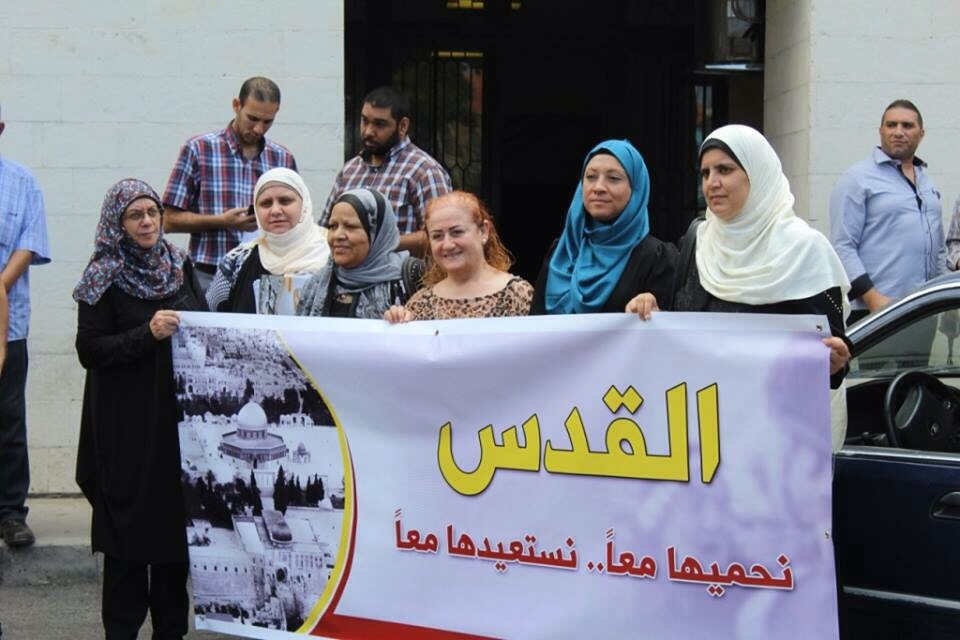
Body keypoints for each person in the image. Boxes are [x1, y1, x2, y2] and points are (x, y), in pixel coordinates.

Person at [73, 179, 206, 639]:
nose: (147, 222)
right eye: (135, 215)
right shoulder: (102, 275)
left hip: (175, 430)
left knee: (172, 545)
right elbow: (90, 349)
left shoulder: (178, 264)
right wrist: (146, 334)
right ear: (117, 223)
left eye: (152, 212)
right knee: (127, 546)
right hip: (124, 431)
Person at [627, 124, 850, 395]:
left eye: (724, 170)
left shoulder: (805, 249)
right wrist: (651, 310)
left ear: (757, 173)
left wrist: (833, 361)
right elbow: (680, 332)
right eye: (705, 173)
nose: (712, 183)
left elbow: (833, 354)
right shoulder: (697, 242)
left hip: (775, 411)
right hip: (707, 410)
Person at [162, 76, 297, 291]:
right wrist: (222, 221)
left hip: (266, 274)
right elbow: (168, 220)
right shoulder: (198, 149)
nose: (259, 129)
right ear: (236, 105)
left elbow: (298, 222)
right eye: (252, 118)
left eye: (267, 121)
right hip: (209, 271)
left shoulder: (282, 158)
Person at [830, 99, 945, 323]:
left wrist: (943, 299)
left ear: (921, 133)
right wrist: (873, 298)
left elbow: (938, 250)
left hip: (924, 309)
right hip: (876, 310)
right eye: (891, 125)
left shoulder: (927, 182)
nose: (898, 132)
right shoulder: (856, 179)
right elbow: (842, 246)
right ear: (880, 131)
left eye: (907, 126)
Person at [531, 139, 677, 315]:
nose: (598, 187)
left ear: (636, 188)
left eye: (613, 178)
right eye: (591, 177)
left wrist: (650, 309)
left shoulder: (655, 257)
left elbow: (668, 327)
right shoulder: (563, 251)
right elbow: (536, 324)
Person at [0, 104, 51, 549]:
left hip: (7, 322)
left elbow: (30, 242)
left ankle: (11, 513)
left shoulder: (22, 182)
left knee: (9, 418)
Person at [319, 87, 452, 257]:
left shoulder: (423, 171)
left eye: (379, 124)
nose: (368, 131)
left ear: (402, 126)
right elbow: (324, 229)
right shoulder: (350, 171)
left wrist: (380, 244)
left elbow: (441, 234)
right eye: (364, 121)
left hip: (400, 273)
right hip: (346, 273)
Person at [384, 191, 532, 322]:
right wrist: (397, 321)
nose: (447, 245)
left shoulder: (518, 295)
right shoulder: (419, 303)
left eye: (457, 232)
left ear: (483, 231)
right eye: (437, 236)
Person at [206, 168, 329, 314]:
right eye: (266, 203)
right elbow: (209, 313)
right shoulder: (236, 261)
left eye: (285, 201)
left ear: (304, 205)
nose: (275, 211)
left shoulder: (332, 255)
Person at [297, 188, 423, 318]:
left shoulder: (409, 280)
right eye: (332, 226)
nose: (337, 235)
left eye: (350, 226)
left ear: (377, 233)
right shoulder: (316, 285)